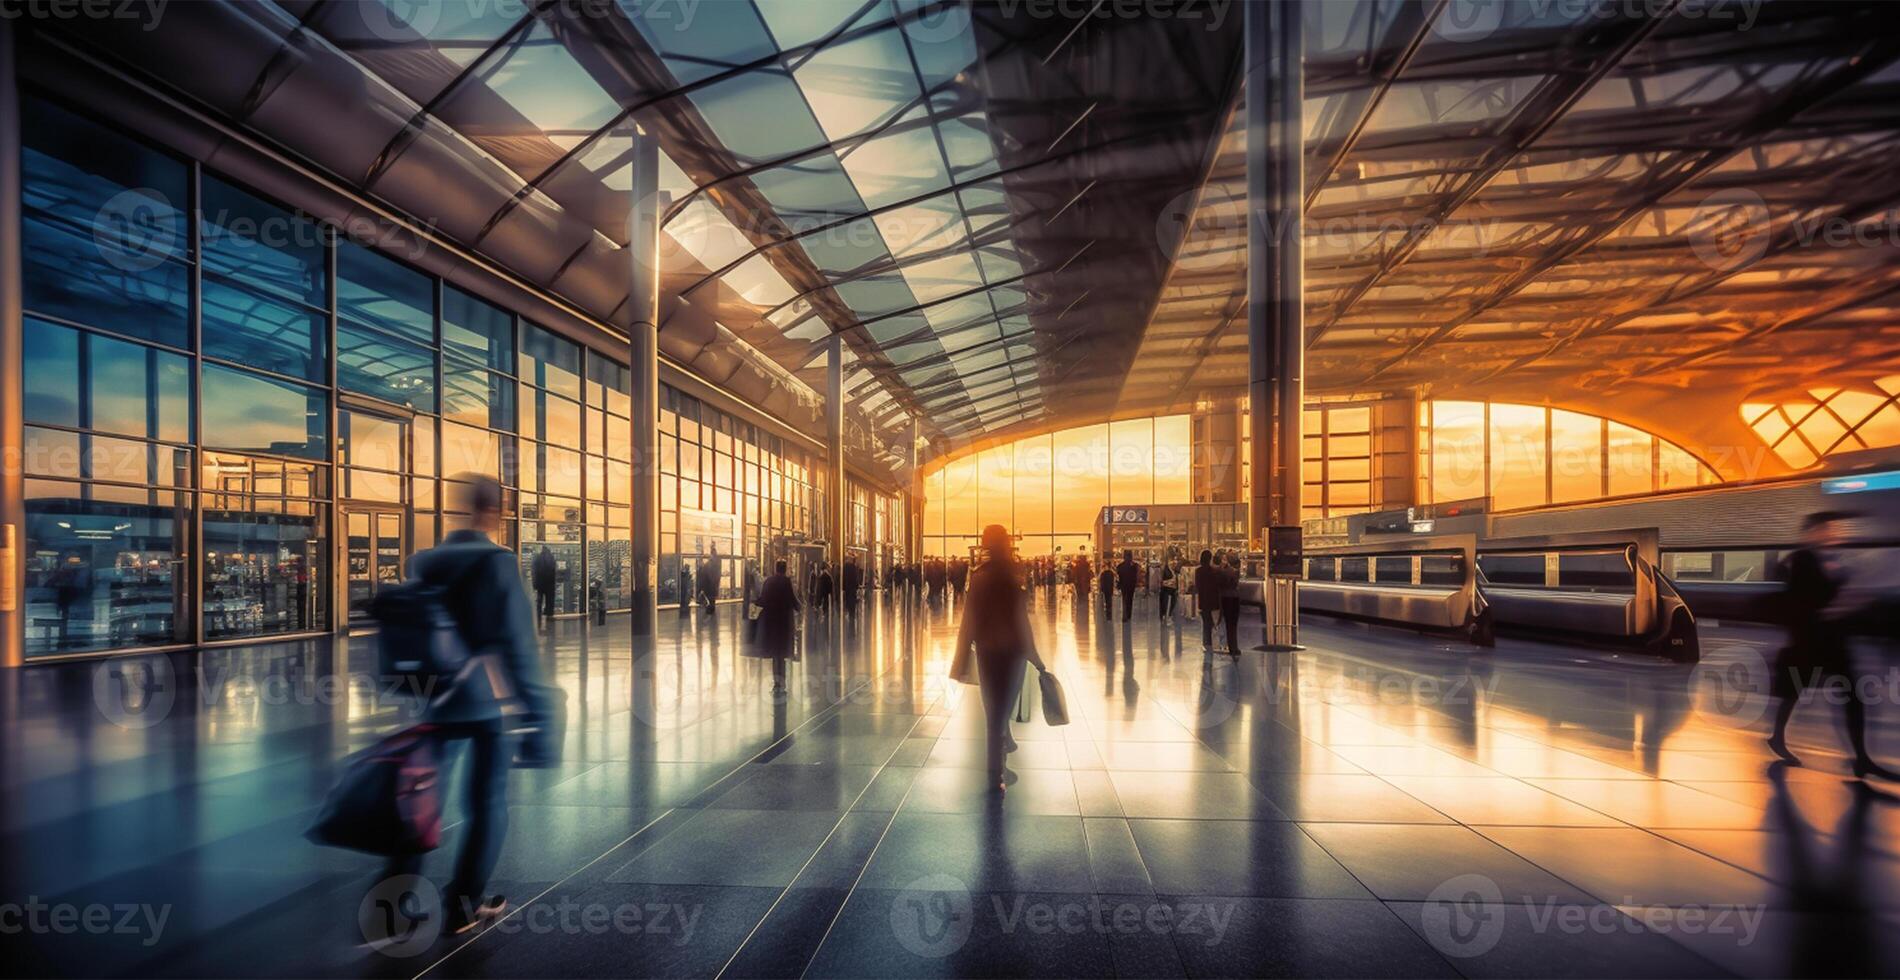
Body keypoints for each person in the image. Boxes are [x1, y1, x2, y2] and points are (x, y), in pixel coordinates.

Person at [389, 474, 551, 935]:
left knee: (420, 802)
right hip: (488, 703)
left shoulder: (425, 561)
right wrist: (538, 714)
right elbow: (519, 646)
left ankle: (389, 906)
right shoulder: (498, 563)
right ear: (496, 511)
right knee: (486, 803)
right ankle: (464, 905)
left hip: (435, 699)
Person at [1766, 512, 1897, 780]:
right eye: (1827, 530)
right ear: (1812, 533)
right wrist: (1836, 608)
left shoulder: (1831, 560)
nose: (1834, 534)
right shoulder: (1803, 560)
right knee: (1795, 692)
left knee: (1850, 697)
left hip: (1831, 643)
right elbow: (1806, 601)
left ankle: (1861, 758)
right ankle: (1779, 737)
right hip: (1811, 643)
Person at [951, 525, 1049, 793]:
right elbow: (1021, 620)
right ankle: (1001, 759)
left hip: (987, 651)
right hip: (1013, 651)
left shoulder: (979, 576)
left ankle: (995, 771)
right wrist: (1035, 657)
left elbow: (969, 618)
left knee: (993, 713)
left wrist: (961, 657)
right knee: (1003, 708)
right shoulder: (1012, 575)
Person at [747, 559, 801, 695]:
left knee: (774, 654)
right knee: (781, 655)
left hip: (771, 624)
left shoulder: (768, 581)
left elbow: (763, 600)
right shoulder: (786, 582)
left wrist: (754, 604)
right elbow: (793, 600)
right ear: (785, 569)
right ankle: (781, 683)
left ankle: (776, 683)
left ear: (776, 568)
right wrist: (799, 607)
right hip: (784, 624)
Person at [1194, 550, 1221, 651]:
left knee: (1206, 621)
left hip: (1203, 598)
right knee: (1213, 621)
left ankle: (1206, 643)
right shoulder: (1214, 571)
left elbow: (1197, 586)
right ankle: (1213, 642)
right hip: (1213, 598)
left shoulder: (1198, 571)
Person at [1221, 553, 1244, 655]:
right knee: (1233, 624)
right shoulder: (1236, 572)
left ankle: (1231, 646)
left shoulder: (1223, 572)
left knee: (1228, 623)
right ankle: (1234, 647)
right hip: (1235, 597)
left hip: (1226, 598)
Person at [530, 546, 557, 629]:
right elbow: (554, 569)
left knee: (539, 601)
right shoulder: (551, 558)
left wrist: (534, 583)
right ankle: (549, 615)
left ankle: (538, 616)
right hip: (549, 584)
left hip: (540, 584)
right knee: (549, 600)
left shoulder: (537, 558)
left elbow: (534, 570)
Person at [1116, 550, 1139, 623]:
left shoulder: (1120, 566)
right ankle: (1128, 615)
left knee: (1125, 599)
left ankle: (1125, 615)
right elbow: (1135, 576)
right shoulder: (1134, 566)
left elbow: (1118, 577)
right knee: (1129, 600)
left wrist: (1119, 584)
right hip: (1130, 585)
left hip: (1124, 585)